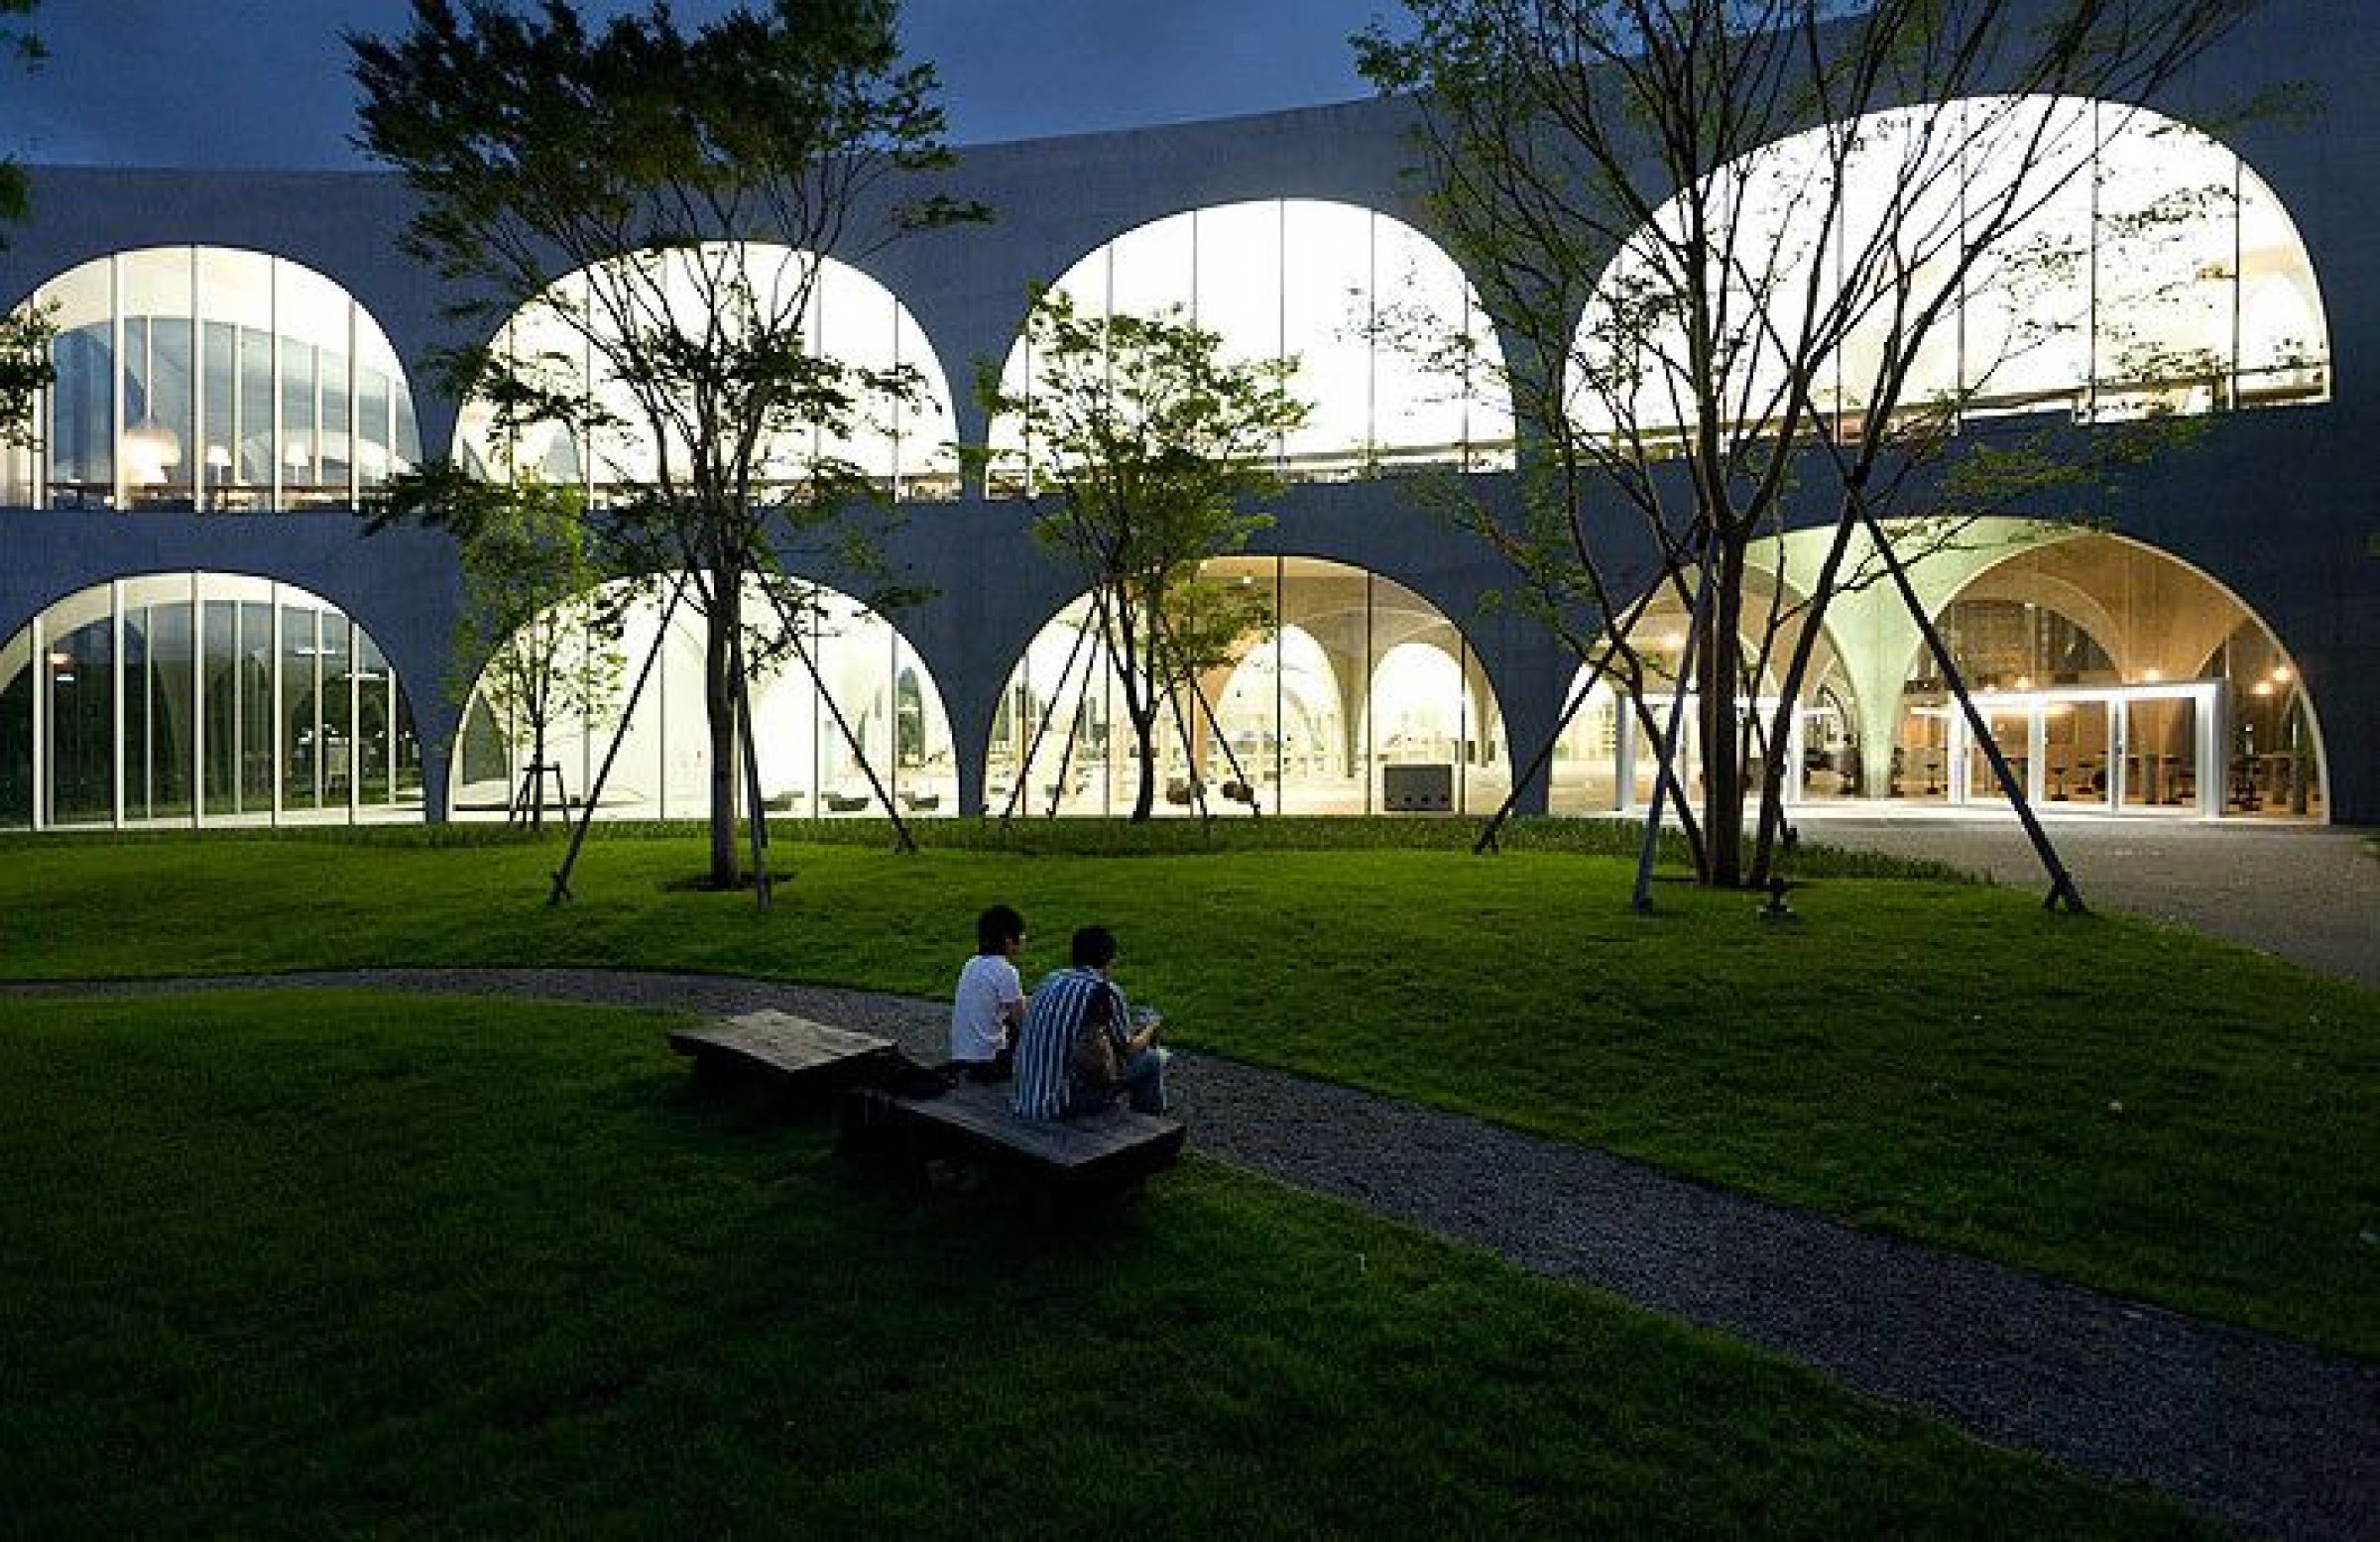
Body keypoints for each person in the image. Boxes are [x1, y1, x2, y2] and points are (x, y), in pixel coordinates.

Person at [1012, 924, 1170, 1121]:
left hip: (1025, 1099)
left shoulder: (1050, 979)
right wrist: (1151, 1027)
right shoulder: (1104, 990)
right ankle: (1151, 1127)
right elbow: (1128, 1049)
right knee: (1152, 1060)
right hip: (1061, 1105)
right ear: (1108, 959)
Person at [949, 903, 1027, 1082]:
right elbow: (1022, 1022)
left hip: (961, 1057)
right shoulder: (1006, 971)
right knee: (1027, 1018)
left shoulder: (971, 964)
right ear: (1008, 940)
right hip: (989, 1063)